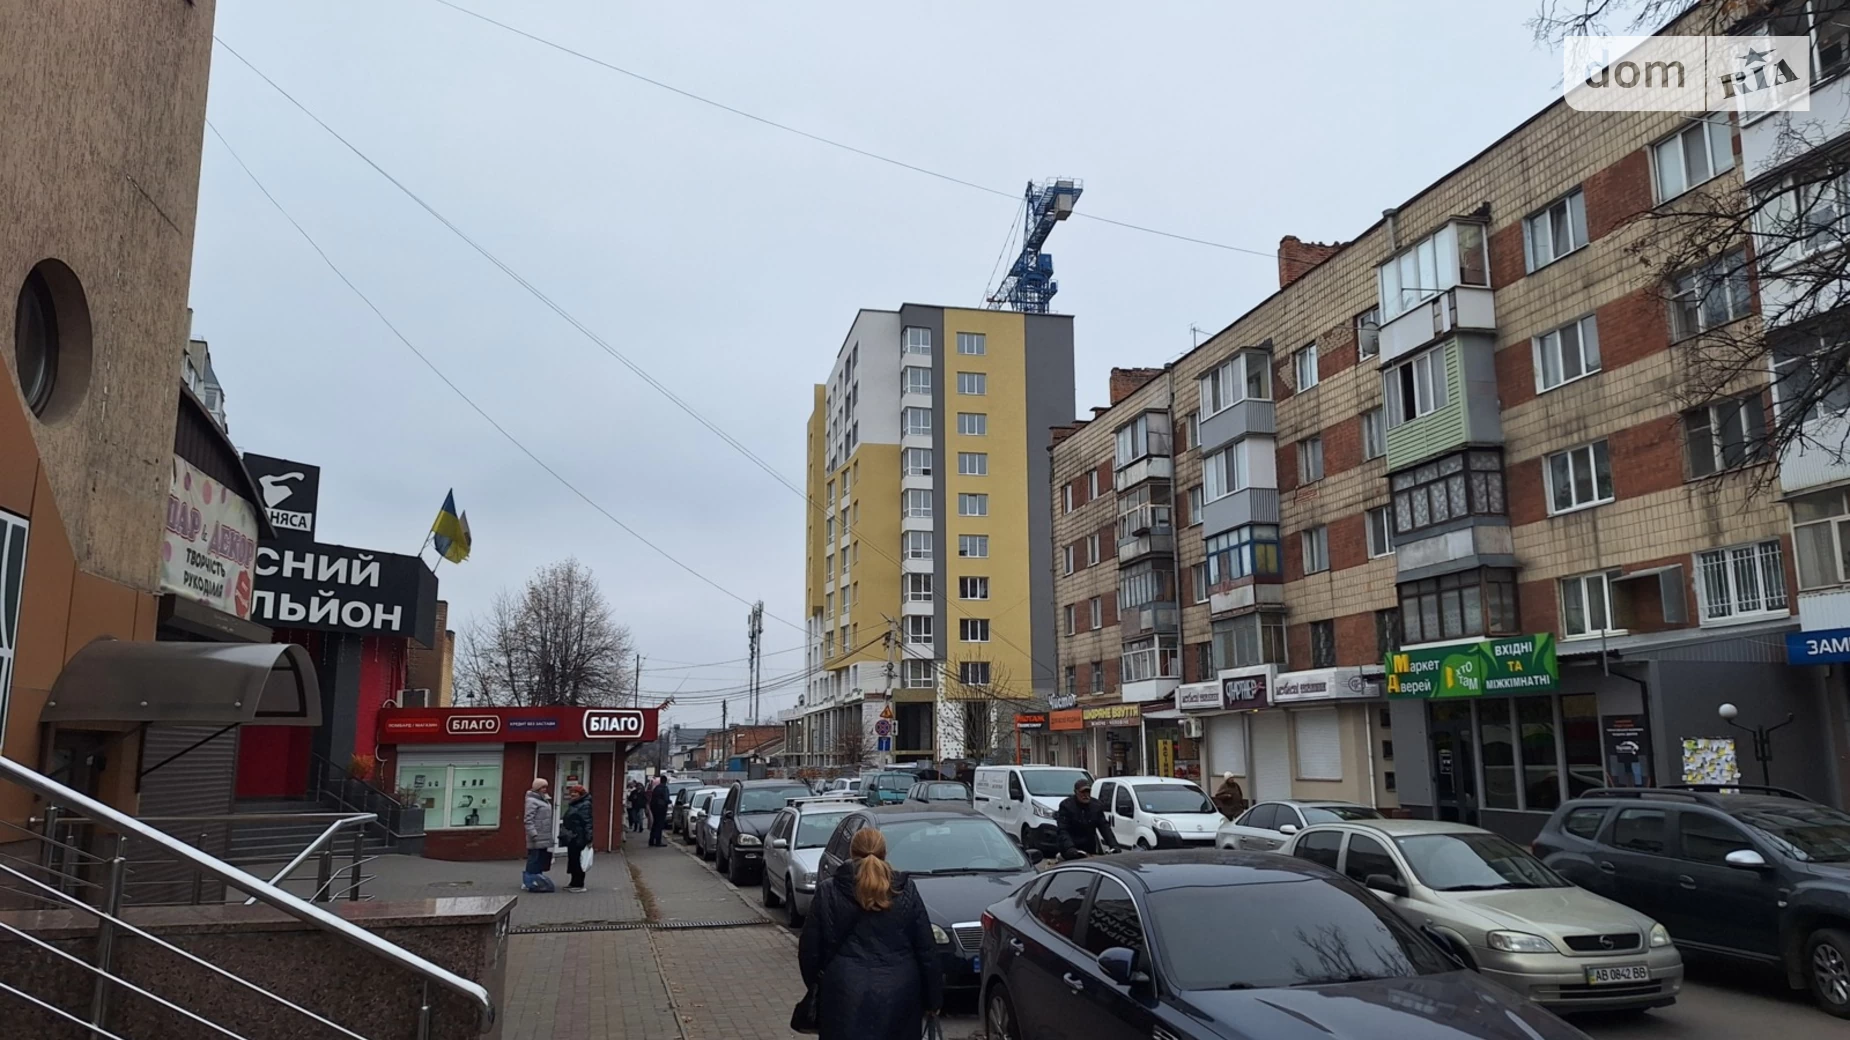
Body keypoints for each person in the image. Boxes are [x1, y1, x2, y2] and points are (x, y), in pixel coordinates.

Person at [797, 828, 943, 1040]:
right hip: (900, 995)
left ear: (851, 852)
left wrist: (819, 985)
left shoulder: (829, 890)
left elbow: (809, 951)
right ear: (884, 853)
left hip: (843, 995)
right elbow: (926, 950)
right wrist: (933, 1000)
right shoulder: (904, 890)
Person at [1055, 778, 1122, 860]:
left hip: (1089, 848)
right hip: (1071, 848)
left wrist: (1114, 845)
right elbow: (1063, 830)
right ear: (1076, 792)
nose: (1086, 795)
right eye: (1082, 792)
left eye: (1088, 792)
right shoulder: (1066, 806)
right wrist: (1070, 848)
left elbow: (1104, 827)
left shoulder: (1096, 806)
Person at [522, 778, 556, 892]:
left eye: (545, 787)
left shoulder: (544, 799)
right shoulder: (532, 800)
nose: (545, 789)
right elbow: (528, 819)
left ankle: (538, 880)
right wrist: (533, 833)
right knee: (534, 859)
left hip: (544, 835)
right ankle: (528, 881)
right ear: (537, 788)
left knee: (540, 859)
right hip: (536, 836)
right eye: (542, 787)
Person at [561, 783, 593, 892]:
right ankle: (573, 882)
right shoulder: (575, 804)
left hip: (579, 837)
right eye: (571, 792)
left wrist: (589, 838)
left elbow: (587, 822)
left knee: (577, 860)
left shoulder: (585, 805)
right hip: (572, 836)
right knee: (573, 859)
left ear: (581, 794)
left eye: (575, 792)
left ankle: (579, 884)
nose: (572, 794)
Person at [648, 775, 671, 847]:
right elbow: (666, 799)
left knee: (655, 824)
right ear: (666, 781)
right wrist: (669, 802)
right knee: (659, 825)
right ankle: (658, 841)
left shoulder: (656, 788)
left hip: (654, 807)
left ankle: (651, 840)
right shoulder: (664, 788)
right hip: (661, 808)